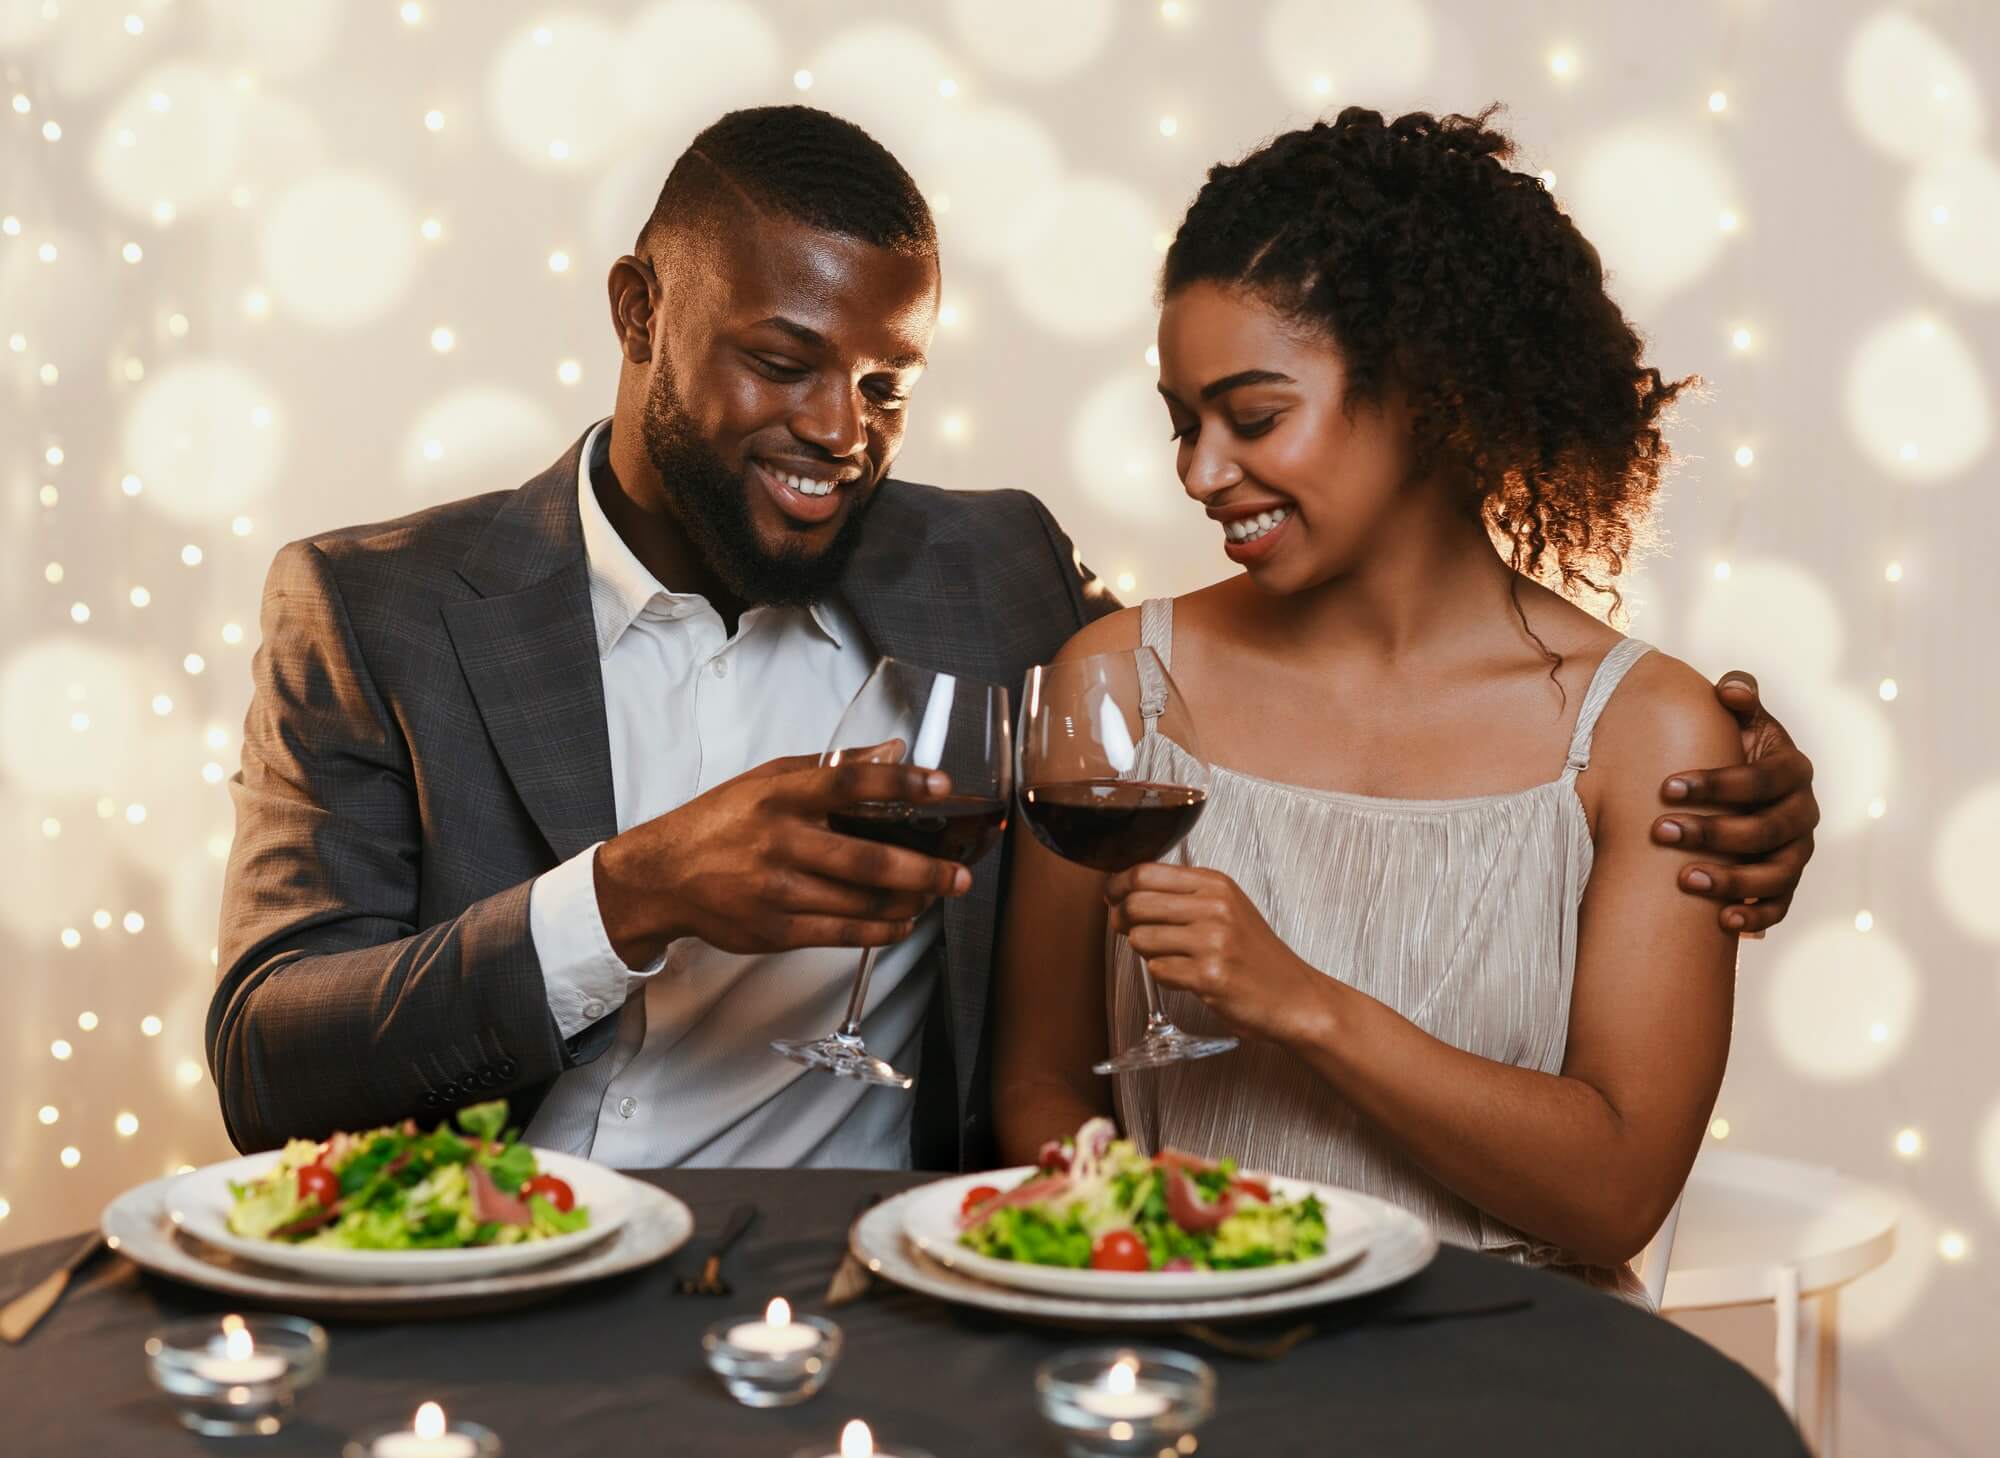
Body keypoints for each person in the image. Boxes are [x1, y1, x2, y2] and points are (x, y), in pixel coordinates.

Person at [212, 104, 1815, 1177]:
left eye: (889, 379)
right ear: (640, 311)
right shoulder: (376, 607)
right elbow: (267, 1058)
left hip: (885, 1309)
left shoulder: (996, 576)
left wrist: (1737, 775)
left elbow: (1280, 684)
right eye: (785, 362)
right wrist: (636, 893)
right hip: (509, 1286)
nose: (843, 430)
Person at [993, 107, 1794, 1298]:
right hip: (1178, 1350)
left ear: (1425, 390)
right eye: (1183, 423)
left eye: (1253, 417)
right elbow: (1035, 1082)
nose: (1201, 472)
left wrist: (1302, 1004)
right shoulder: (1114, 681)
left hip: (1508, 1381)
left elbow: (1616, 1188)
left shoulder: (1643, 733)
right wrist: (1147, 1245)